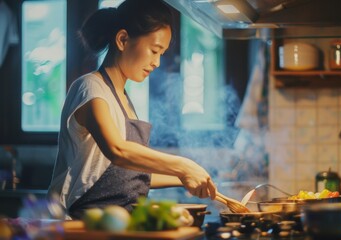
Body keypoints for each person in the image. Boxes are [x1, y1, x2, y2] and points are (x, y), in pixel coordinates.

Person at [48, 0, 217, 219]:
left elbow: (127, 174)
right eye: (154, 50)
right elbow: (118, 150)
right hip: (81, 224)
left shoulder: (124, 100)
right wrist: (183, 166)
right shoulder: (90, 87)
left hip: (115, 223)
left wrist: (183, 178)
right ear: (123, 39)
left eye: (161, 54)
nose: (156, 62)